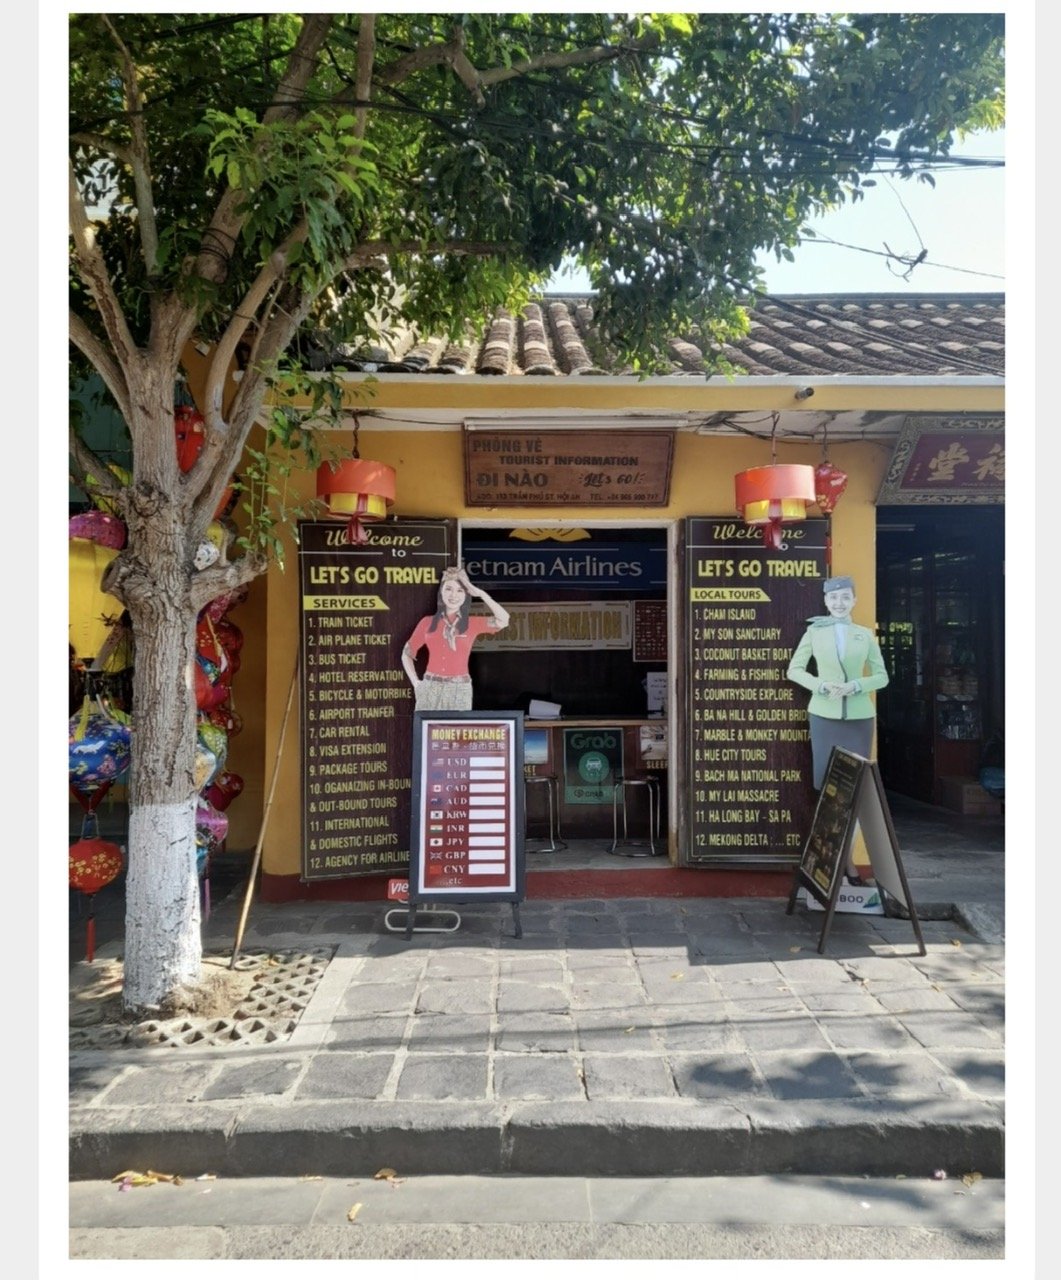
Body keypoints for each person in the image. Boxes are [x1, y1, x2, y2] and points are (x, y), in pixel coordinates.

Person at [787, 575, 889, 883]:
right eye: (834, 598)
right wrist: (821, 686)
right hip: (824, 715)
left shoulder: (864, 635)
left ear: (854, 600)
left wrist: (856, 686)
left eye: (845, 597)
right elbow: (794, 669)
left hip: (859, 718)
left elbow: (882, 676)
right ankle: (831, 863)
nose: (839, 603)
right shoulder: (814, 633)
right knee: (827, 789)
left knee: (856, 789)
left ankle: (846, 863)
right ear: (826, 602)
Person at [402, 565, 510, 711]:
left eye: (460, 590)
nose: (454, 595)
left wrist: (481, 594)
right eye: (449, 589)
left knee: (457, 732)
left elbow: (504, 620)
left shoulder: (472, 623)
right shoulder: (427, 622)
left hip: (460, 688)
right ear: (441, 592)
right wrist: (416, 683)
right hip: (430, 686)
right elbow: (407, 653)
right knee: (426, 732)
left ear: (466, 595)